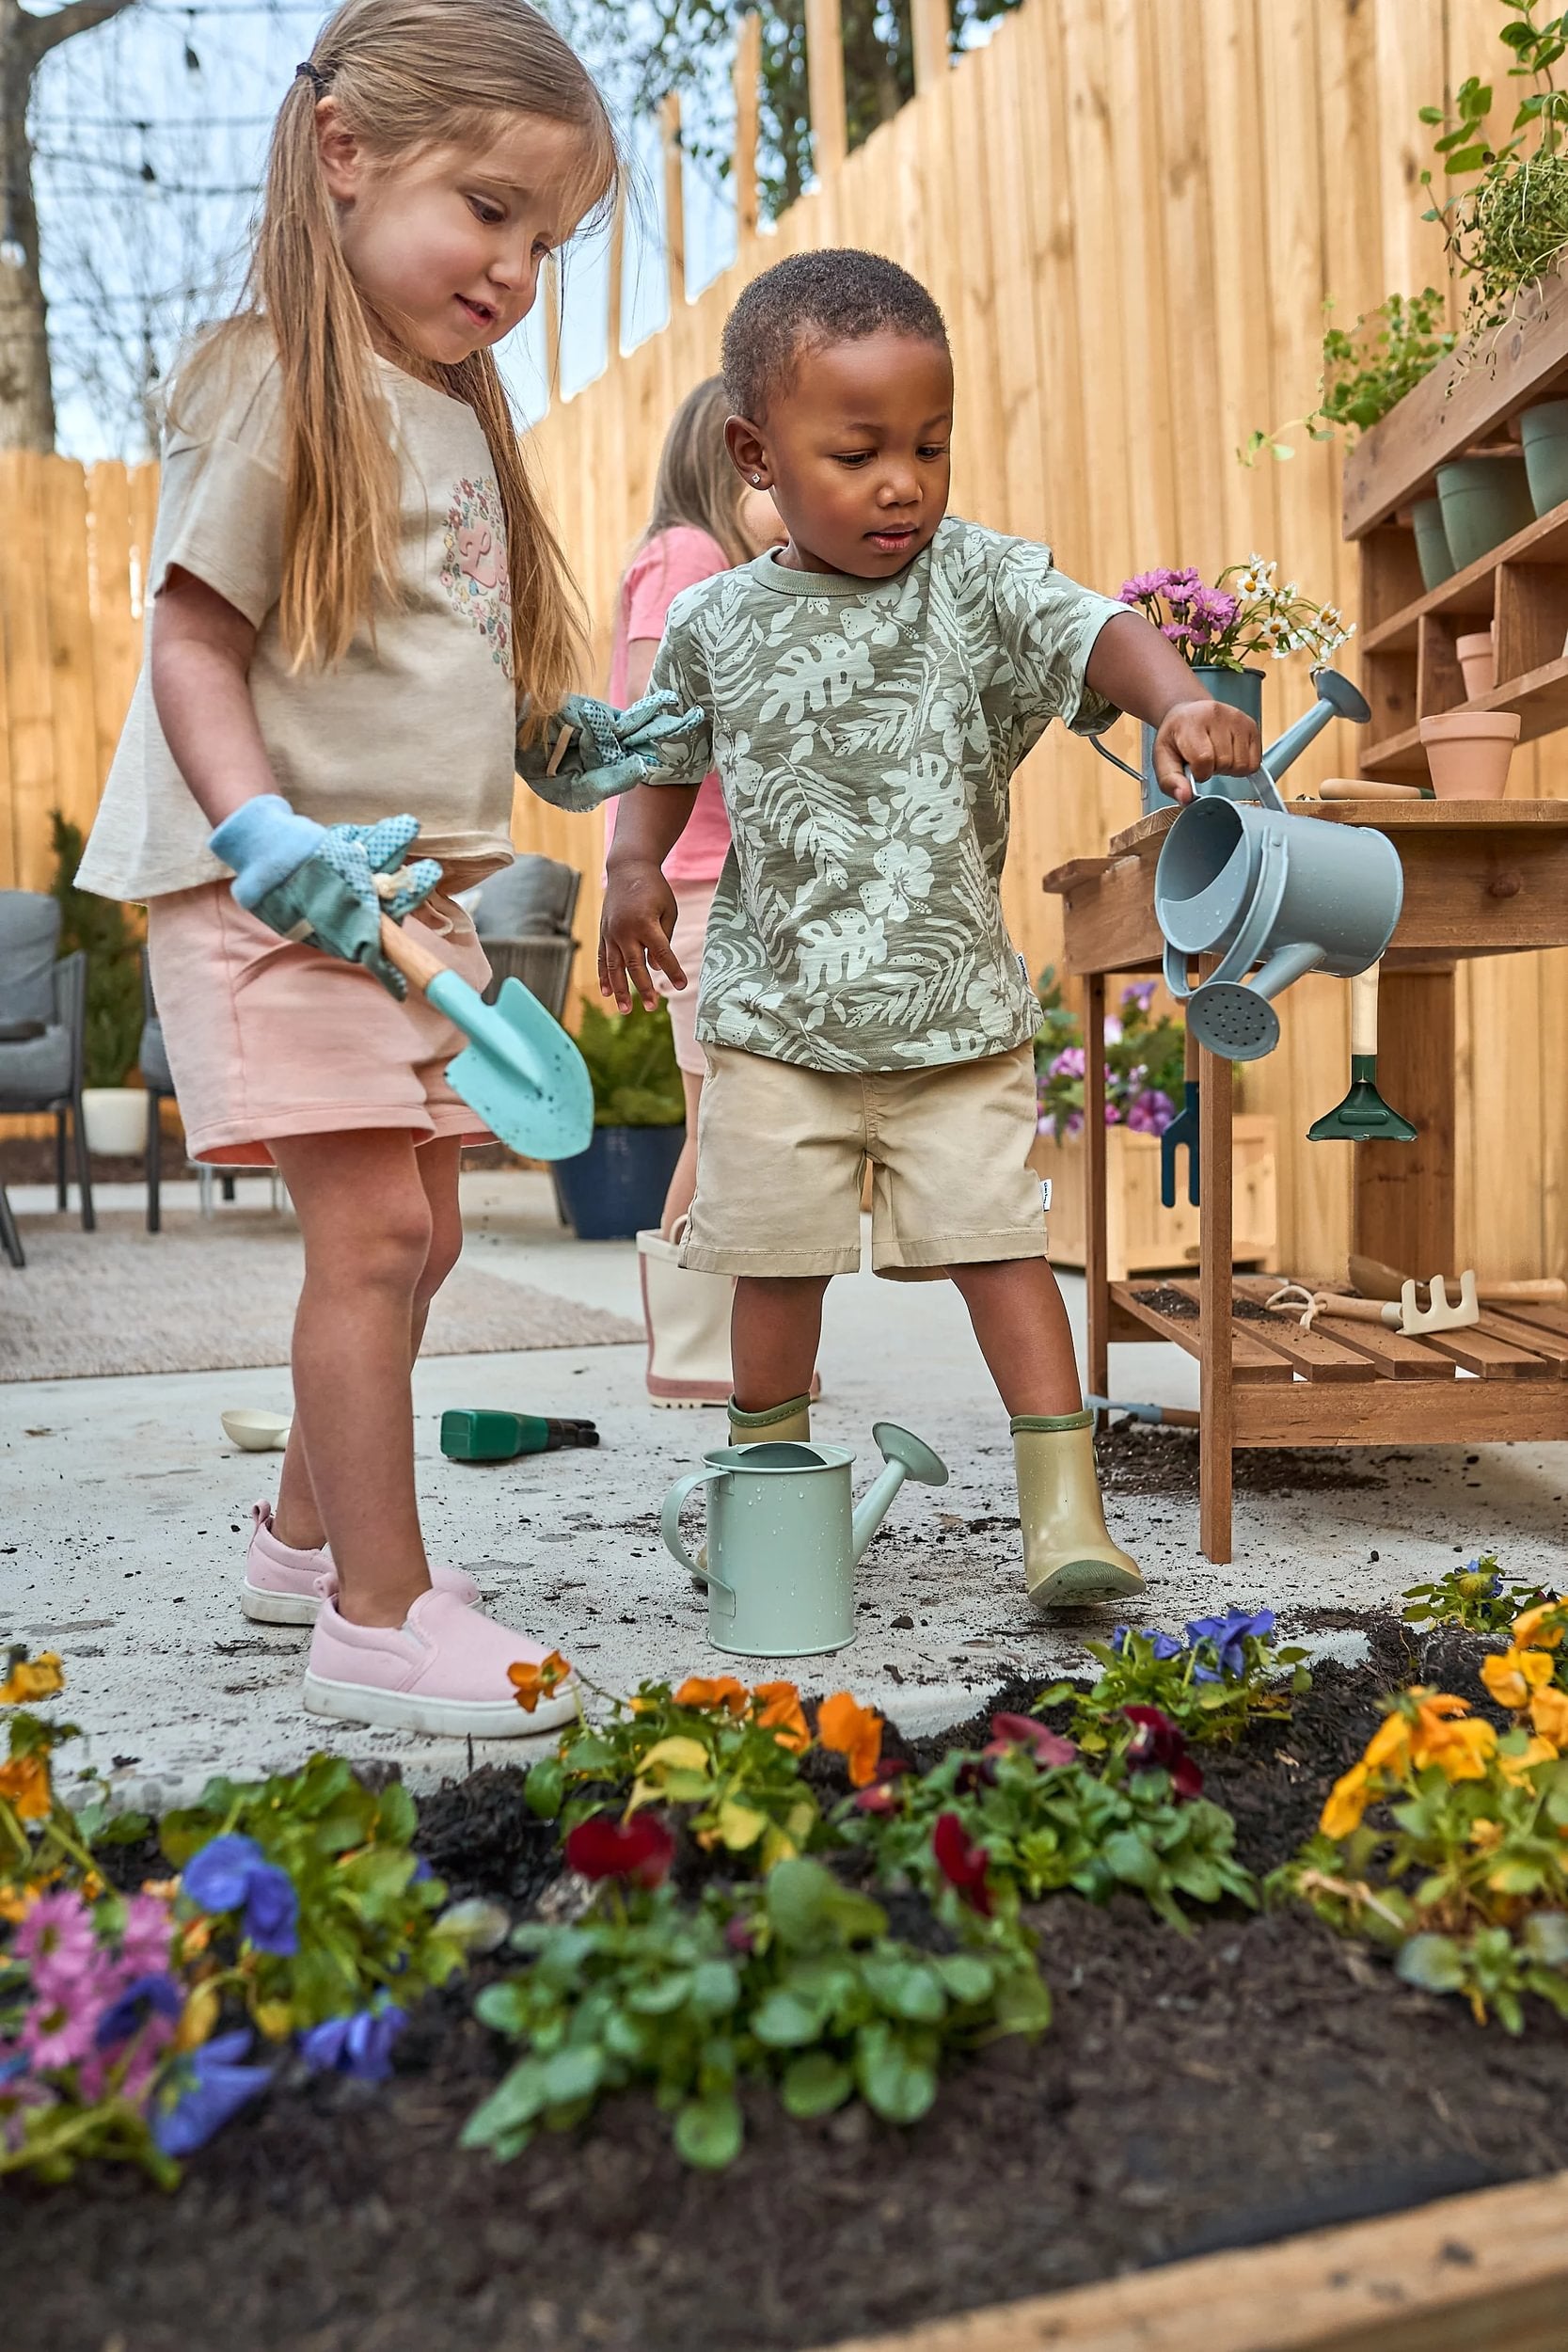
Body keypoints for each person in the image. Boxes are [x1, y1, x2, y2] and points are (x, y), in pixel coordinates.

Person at [76, 0, 639, 1737]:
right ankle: (381, 1621)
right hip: (282, 891)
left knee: (433, 1227)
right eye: (488, 209)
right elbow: (190, 643)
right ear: (345, 154)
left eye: (544, 239)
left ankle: (300, 1545)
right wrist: (263, 837)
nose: (516, 267)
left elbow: (435, 656)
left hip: (412, 910)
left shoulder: (458, 414)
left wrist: (567, 742)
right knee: (379, 1230)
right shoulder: (265, 375)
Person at [593, 249, 1260, 1609]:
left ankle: (1060, 1509)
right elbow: (664, 750)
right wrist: (629, 865)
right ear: (754, 453)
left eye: (929, 445)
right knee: (771, 1271)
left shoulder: (971, 582)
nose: (902, 480)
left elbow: (1095, 631)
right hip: (777, 1023)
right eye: (857, 452)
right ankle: (763, 1498)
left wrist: (1176, 701)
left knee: (997, 1251)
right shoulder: (711, 619)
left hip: (949, 1017)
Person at [605, 374, 784, 1237]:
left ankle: (709, 1347)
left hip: (717, 877)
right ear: (737, 467)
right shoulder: (688, 555)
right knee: (722, 1123)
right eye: (779, 481)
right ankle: (686, 1355)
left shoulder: (716, 563)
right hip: (700, 882)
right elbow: (652, 696)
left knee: (729, 1121)